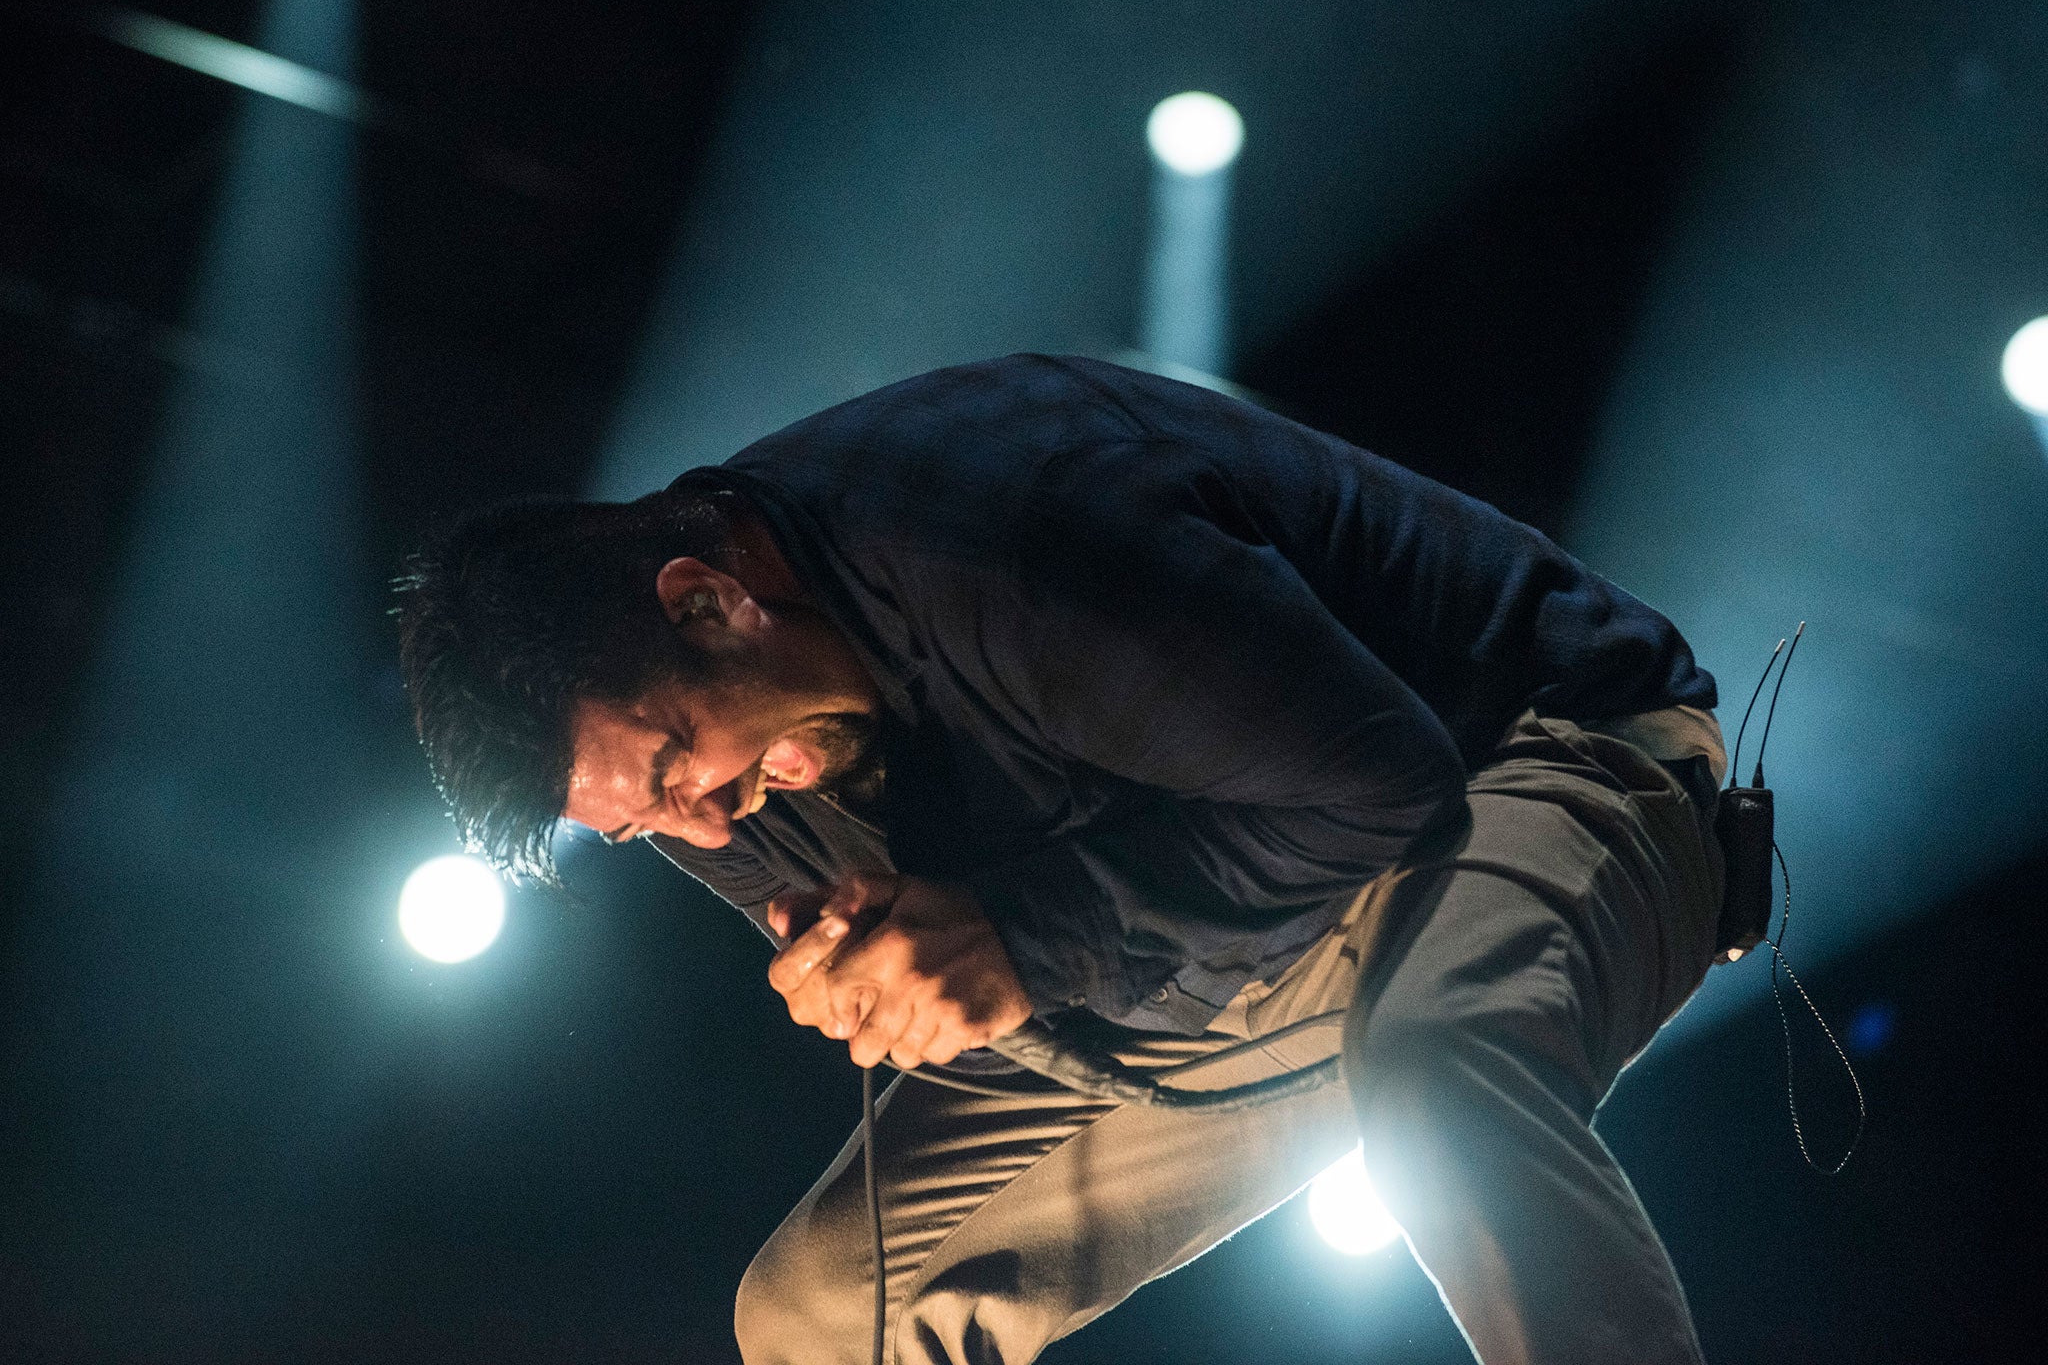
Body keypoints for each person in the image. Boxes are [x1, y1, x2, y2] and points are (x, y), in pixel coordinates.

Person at [395, 353, 1728, 1365]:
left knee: (1436, 1072)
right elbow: (1070, 1002)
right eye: (643, 824)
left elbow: (1380, 783)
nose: (710, 829)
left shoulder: (1004, 538)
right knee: (816, 1309)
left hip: (1531, 758)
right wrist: (923, 989)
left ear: (710, 604)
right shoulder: (717, 779)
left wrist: (1023, 942)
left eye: (680, 772)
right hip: (1250, 923)